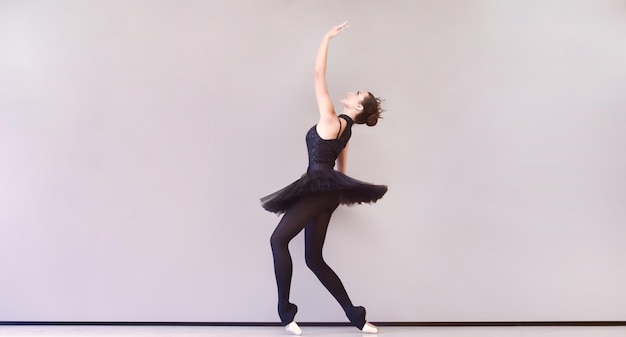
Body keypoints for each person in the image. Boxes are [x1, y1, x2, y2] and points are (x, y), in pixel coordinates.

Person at [261, 21, 387, 335]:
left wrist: (325, 39)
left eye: (357, 93)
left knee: (278, 240)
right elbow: (341, 170)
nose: (352, 92)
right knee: (314, 259)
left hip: (318, 188)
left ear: (358, 106)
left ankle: (285, 312)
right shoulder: (347, 132)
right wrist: (336, 195)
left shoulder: (331, 120)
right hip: (328, 192)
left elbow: (318, 77)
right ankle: (356, 316)